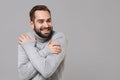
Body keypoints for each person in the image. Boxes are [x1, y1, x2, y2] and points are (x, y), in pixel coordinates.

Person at [18, 5, 67, 80]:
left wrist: (29, 48)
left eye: (48, 20)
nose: (46, 25)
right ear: (32, 24)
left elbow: (46, 71)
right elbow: (23, 75)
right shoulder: (26, 40)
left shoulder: (59, 38)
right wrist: (46, 51)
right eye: (41, 21)